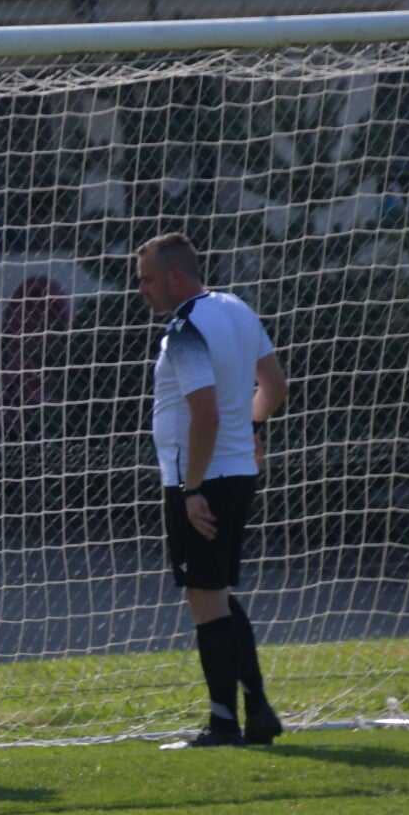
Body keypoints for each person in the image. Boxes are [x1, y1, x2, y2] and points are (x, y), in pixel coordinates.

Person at [135, 233, 289, 747]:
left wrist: (191, 488)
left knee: (205, 600)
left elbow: (204, 414)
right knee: (217, 594)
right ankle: (258, 711)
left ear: (176, 277)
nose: (141, 290)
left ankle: (224, 723)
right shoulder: (236, 308)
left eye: (148, 280)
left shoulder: (184, 330)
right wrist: (251, 427)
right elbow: (275, 386)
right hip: (238, 472)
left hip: (203, 481)